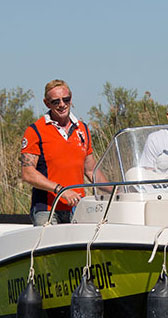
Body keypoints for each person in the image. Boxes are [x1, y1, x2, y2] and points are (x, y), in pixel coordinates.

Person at [20, 79, 106, 226]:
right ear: (47, 103)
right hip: (47, 210)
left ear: (71, 99)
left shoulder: (82, 129)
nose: (62, 104)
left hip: (77, 208)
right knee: (48, 246)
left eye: (66, 99)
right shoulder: (35, 130)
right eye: (56, 101)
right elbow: (27, 173)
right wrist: (62, 191)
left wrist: (118, 191)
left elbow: (91, 170)